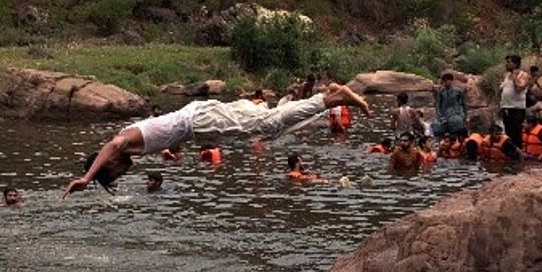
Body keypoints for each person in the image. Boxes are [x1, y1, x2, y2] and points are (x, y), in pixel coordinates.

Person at [62, 82, 370, 197]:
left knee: (268, 124)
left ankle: (330, 98)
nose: (120, 174)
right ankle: (326, 98)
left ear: (108, 165)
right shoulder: (134, 148)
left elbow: (109, 147)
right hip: (201, 124)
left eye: (112, 174)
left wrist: (87, 178)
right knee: (270, 128)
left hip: (201, 121)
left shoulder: (122, 141)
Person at [499, 55, 529, 151]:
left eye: (509, 62)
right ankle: (511, 154)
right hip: (506, 107)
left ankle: (518, 154)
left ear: (515, 64)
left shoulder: (523, 75)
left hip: (517, 108)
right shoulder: (506, 75)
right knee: (508, 133)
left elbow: (519, 89)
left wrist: (515, 77)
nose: (506, 64)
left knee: (516, 133)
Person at [433, 72, 467, 138]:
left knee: (455, 122)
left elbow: (463, 104)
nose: (446, 83)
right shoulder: (441, 92)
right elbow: (438, 105)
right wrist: (440, 116)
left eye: (448, 80)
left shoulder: (458, 91)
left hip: (455, 113)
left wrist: (464, 116)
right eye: (444, 81)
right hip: (444, 113)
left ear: (451, 81)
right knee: (436, 124)